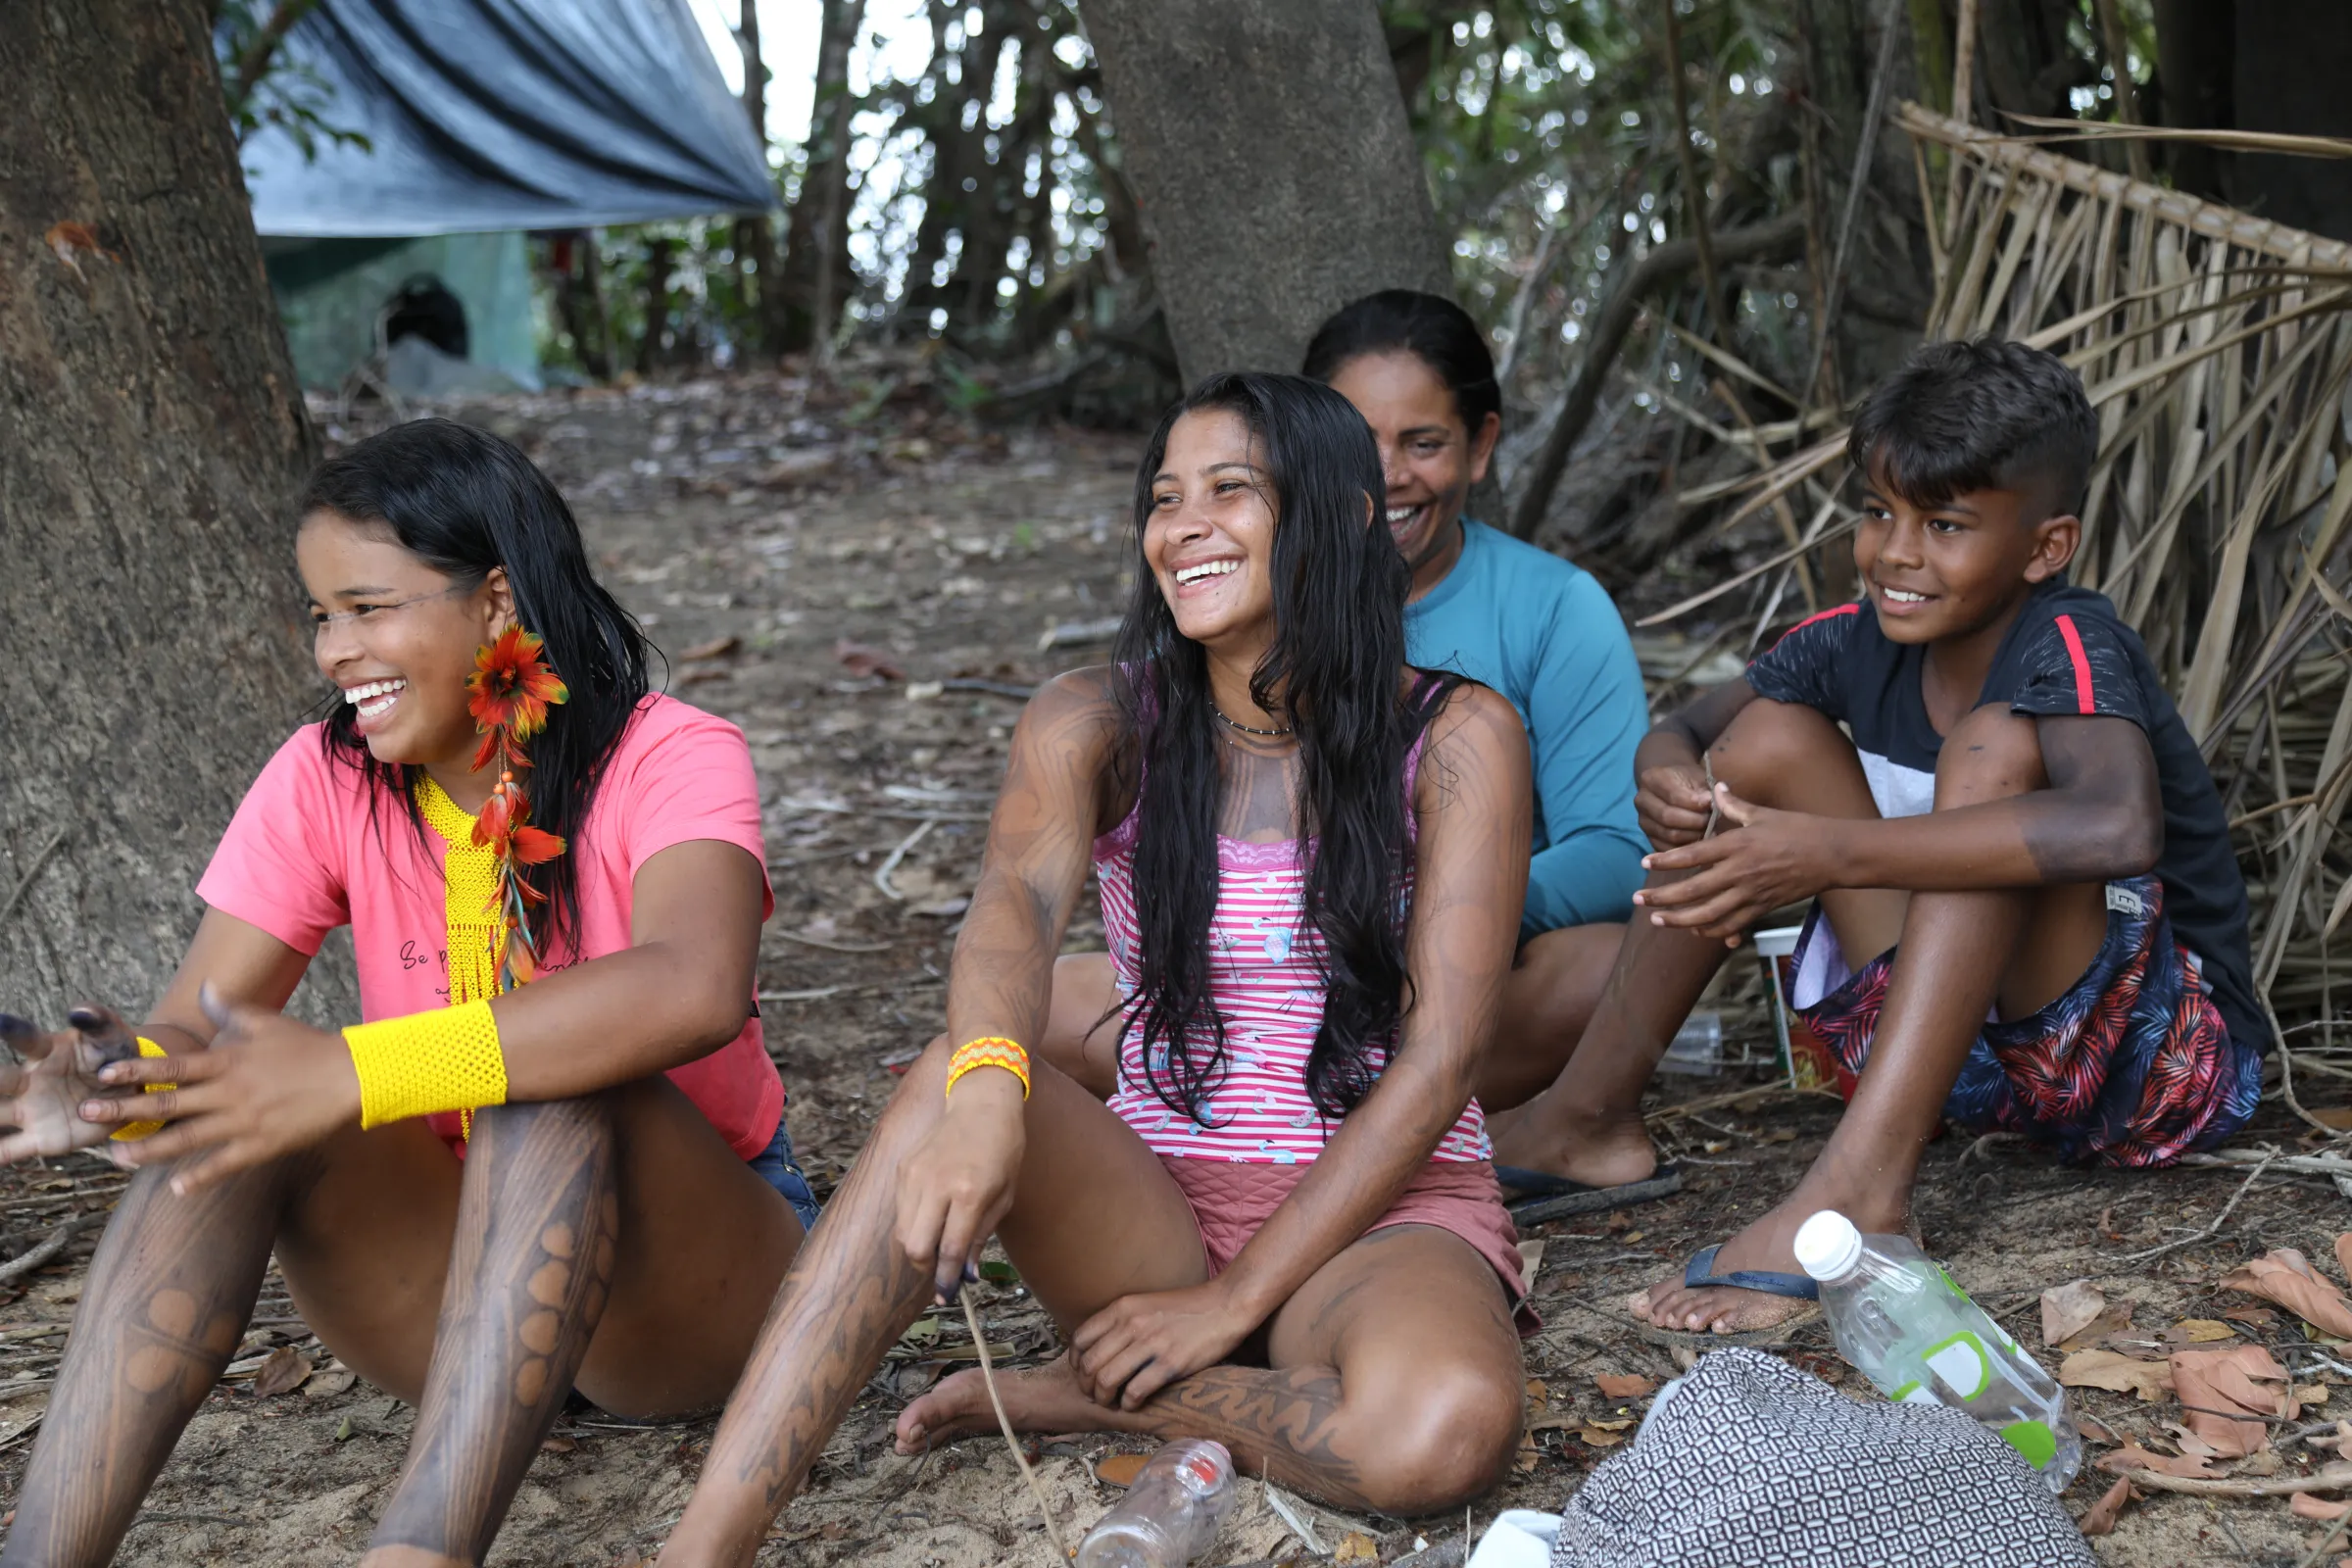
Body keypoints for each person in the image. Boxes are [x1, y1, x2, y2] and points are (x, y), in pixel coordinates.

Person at [656, 372, 1535, 1565]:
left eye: (1231, 491)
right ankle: (703, 1544)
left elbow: (1440, 1065)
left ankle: (1080, 1392)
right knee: (950, 1078)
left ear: (1331, 513)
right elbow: (1011, 915)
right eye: (1164, 498)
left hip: (1383, 1213)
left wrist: (1232, 1304)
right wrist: (983, 1093)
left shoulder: (1457, 736)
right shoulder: (1094, 722)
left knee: (1442, 1435)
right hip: (1156, 1201)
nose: (1182, 527)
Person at [0, 419, 813, 1566]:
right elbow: (199, 1022)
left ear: (494, 605)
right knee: (231, 1118)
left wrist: (354, 1068)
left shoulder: (666, 753)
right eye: (320, 615)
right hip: (452, 1289)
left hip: (687, 1287)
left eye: (369, 608)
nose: (335, 650)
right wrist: (114, 1083)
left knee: (554, 1080)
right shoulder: (324, 775)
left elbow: (693, 988)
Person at [1491, 338, 2264, 1344]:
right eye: (1878, 512)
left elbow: (2116, 822)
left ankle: (1865, 1191)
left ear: (2045, 546)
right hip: (1967, 1062)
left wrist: (1825, 854)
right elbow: (1687, 724)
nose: (1898, 552)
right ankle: (1586, 1118)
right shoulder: (1855, 638)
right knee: (1762, 737)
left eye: (1944, 524)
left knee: (1991, 753)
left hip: (2151, 1073)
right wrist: (1667, 773)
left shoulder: (2071, 642)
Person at [1301, 290, 1662, 1219]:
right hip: (1265, 977)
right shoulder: (1243, 597)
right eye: (1354, 443)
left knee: (1610, 970)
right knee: (1056, 1007)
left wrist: (1438, 910)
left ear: (1481, 445)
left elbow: (1620, 849)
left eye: (1423, 442)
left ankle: (1342, 1138)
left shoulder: (1554, 606)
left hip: (1463, 994)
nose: (1385, 477)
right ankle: (1317, 1131)